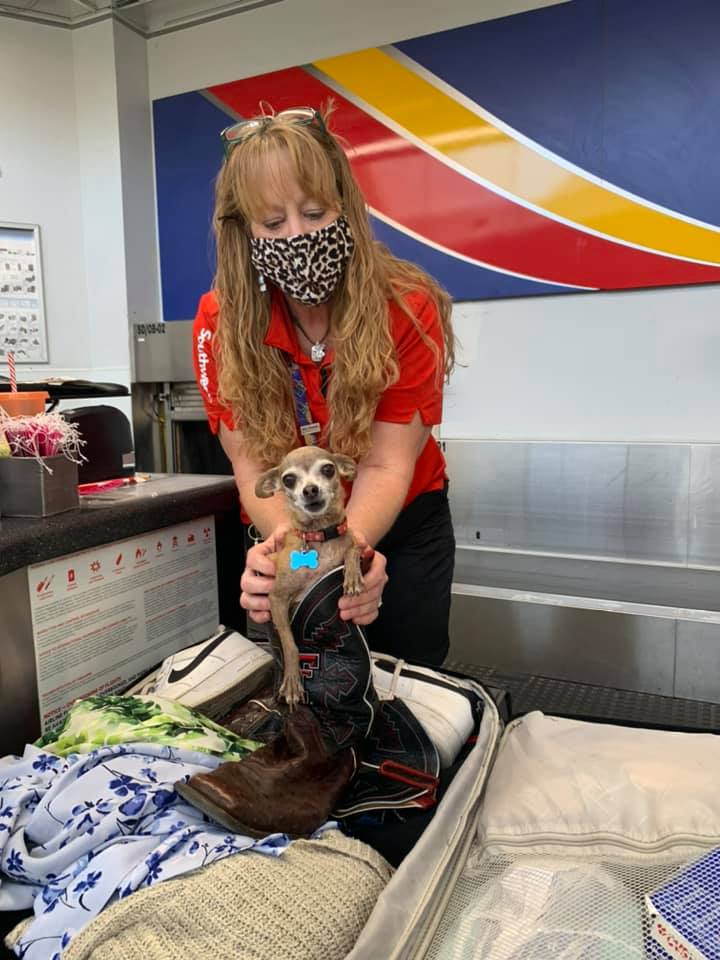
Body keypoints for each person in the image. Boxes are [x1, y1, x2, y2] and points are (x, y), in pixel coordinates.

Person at [192, 106, 456, 666]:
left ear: (346, 208)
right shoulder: (220, 324)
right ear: (245, 233)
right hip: (284, 527)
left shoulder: (407, 309)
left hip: (398, 527)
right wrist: (301, 559)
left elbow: (385, 466)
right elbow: (249, 469)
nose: (298, 235)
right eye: (272, 224)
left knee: (403, 681)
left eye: (314, 212)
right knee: (299, 678)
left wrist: (347, 553)